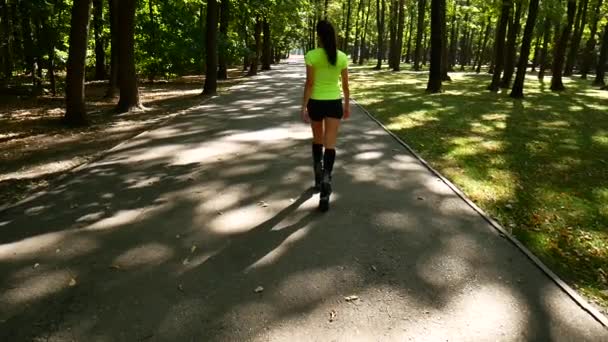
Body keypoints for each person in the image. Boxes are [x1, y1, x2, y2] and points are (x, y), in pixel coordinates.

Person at [301, 20, 350, 212]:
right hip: (334, 102)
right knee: (330, 142)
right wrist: (346, 105)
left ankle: (317, 175)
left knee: (317, 140)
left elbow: (310, 83)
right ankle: (327, 179)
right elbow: (345, 86)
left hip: (316, 102)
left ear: (318, 36)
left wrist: (303, 106)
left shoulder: (312, 55)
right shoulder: (342, 57)